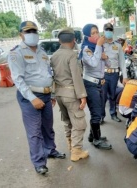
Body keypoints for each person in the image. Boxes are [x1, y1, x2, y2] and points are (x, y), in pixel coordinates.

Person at [8, 21, 65, 175]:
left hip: (46, 95)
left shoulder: (42, 51)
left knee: (48, 127)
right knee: (34, 131)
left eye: (34, 30)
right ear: (21, 34)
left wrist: (51, 93)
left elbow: (48, 74)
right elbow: (17, 79)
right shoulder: (16, 53)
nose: (32, 34)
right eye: (28, 31)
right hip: (29, 97)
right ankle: (39, 162)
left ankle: (50, 150)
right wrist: (32, 98)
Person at [50, 28, 89, 162]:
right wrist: (82, 96)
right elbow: (76, 76)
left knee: (67, 121)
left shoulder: (54, 55)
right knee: (79, 123)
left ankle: (71, 146)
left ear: (60, 40)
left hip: (59, 93)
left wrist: (53, 94)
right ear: (74, 41)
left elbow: (52, 76)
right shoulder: (72, 55)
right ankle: (76, 151)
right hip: (71, 94)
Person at [80, 23, 112, 150]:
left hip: (100, 83)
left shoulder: (99, 48)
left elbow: (109, 64)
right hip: (91, 84)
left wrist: (105, 56)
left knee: (98, 110)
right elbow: (93, 63)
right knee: (96, 113)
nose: (96, 35)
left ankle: (92, 136)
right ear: (87, 35)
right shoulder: (87, 49)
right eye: (93, 33)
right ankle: (97, 140)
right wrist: (99, 47)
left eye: (97, 32)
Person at [101, 23, 128, 123]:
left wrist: (125, 77)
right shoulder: (101, 44)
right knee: (102, 96)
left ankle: (113, 114)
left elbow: (122, 62)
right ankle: (101, 116)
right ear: (103, 31)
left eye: (110, 30)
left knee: (112, 96)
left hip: (114, 74)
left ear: (112, 32)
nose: (108, 31)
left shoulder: (118, 46)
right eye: (106, 29)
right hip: (103, 74)